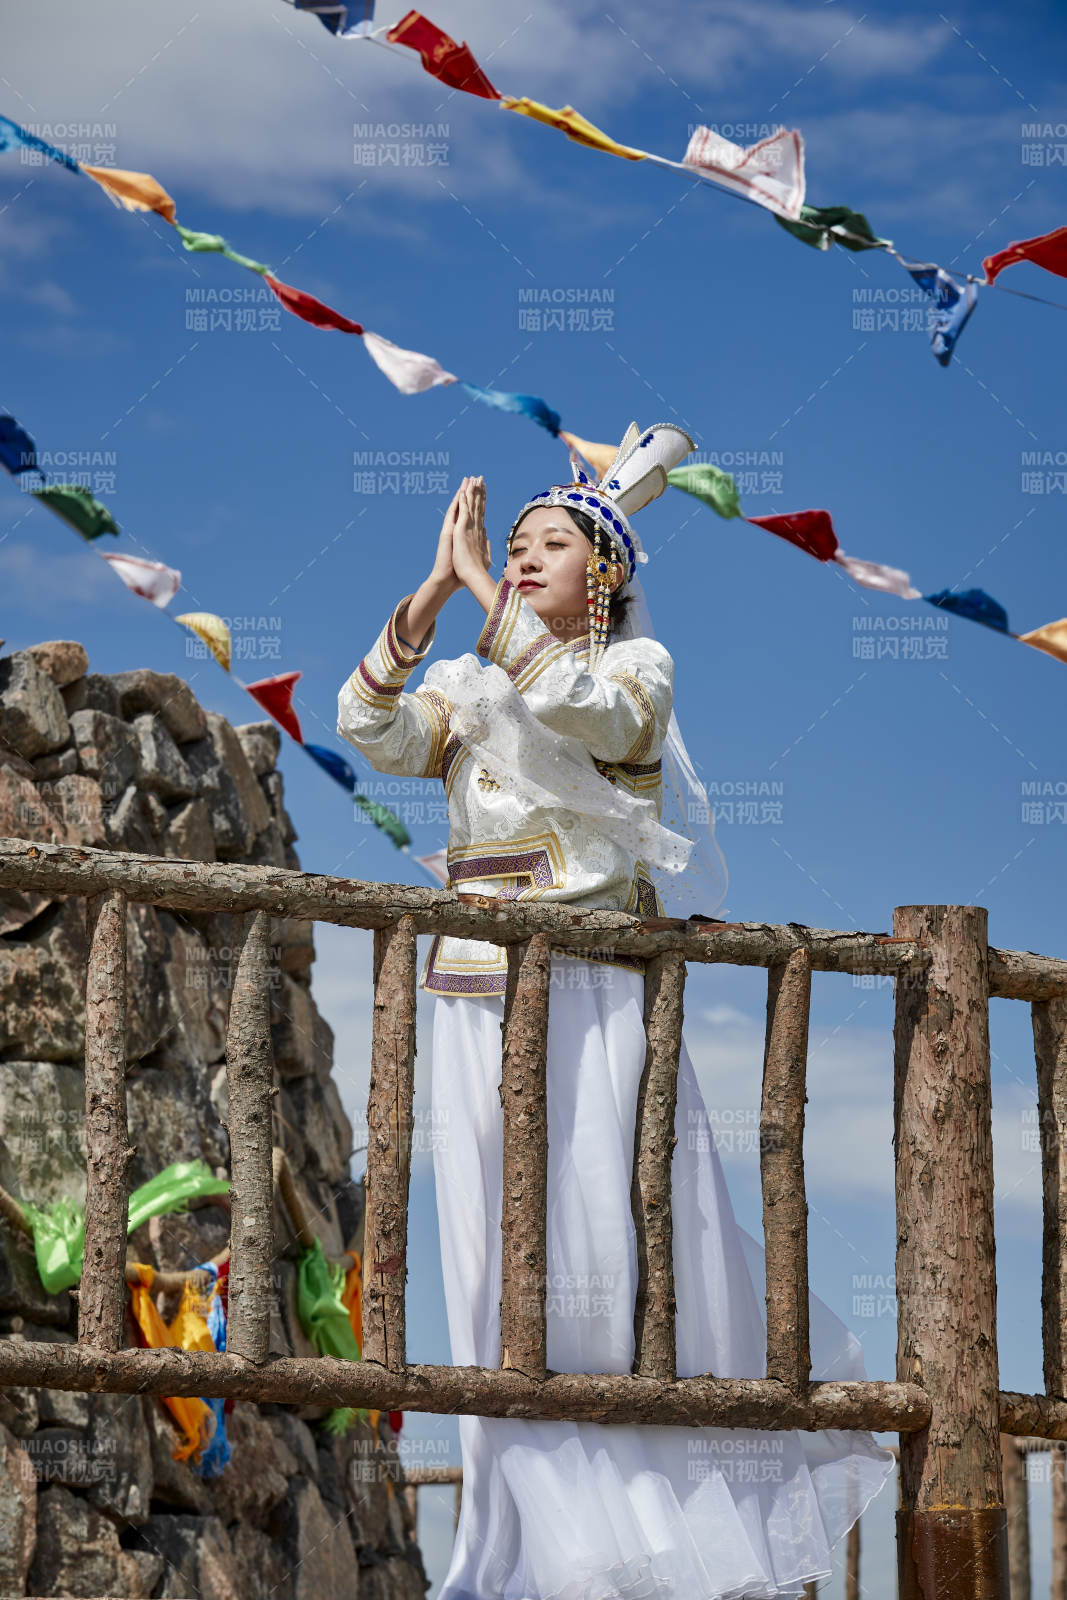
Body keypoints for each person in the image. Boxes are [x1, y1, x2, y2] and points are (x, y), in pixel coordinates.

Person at [337, 423, 895, 1600]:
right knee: (493, 1249)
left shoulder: (634, 674)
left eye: (548, 545)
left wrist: (486, 594)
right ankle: (527, 1529)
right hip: (473, 985)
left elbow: (584, 717)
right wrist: (434, 591)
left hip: (590, 985)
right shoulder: (471, 678)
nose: (520, 557)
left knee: (598, 1238)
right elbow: (369, 730)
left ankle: (633, 1519)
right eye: (512, 544)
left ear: (604, 574)